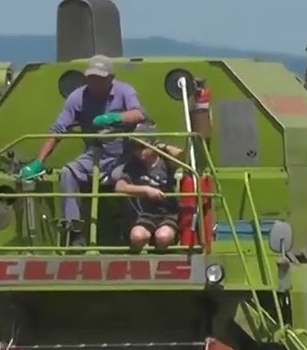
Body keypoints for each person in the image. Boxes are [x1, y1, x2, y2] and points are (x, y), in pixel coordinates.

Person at [18, 55, 148, 246]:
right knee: (68, 173)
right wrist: (39, 162)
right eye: (91, 78)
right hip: (95, 154)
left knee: (126, 177)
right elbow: (58, 130)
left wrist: (114, 118)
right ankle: (75, 231)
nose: (95, 82)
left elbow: (139, 114)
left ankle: (134, 230)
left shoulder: (125, 91)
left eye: (100, 78)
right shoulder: (77, 97)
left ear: (111, 78)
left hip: (124, 153)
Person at [111, 123, 186, 252]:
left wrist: (161, 146)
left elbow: (182, 156)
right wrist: (146, 190)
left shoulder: (166, 161)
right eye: (135, 147)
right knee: (137, 236)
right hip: (145, 214)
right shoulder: (134, 164)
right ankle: (135, 261)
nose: (138, 151)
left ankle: (160, 259)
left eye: (142, 146)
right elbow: (120, 186)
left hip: (168, 213)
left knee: (163, 237)